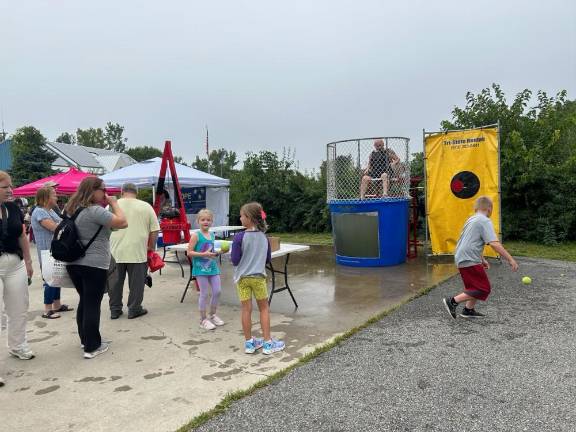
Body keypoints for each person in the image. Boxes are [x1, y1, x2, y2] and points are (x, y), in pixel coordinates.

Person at [64, 177, 127, 359]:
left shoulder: (72, 208)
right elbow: (123, 222)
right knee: (92, 304)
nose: (105, 193)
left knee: (85, 301)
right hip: (93, 264)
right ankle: (92, 346)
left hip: (74, 263)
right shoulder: (95, 210)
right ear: (93, 190)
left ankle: (86, 339)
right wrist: (114, 203)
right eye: (103, 189)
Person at [443, 196, 519, 319]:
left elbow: (471, 241)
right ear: (490, 208)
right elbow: (494, 243)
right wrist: (510, 259)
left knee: (474, 287)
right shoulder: (484, 220)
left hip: (463, 256)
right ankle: (452, 301)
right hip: (468, 257)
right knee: (483, 288)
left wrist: (482, 259)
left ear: (476, 208)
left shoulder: (471, 219)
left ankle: (468, 310)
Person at [231, 202, 285, 355]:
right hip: (259, 278)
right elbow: (267, 259)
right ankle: (268, 343)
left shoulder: (239, 237)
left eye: (241, 215)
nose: (240, 218)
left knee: (246, 310)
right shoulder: (264, 237)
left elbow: (235, 260)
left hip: (242, 279)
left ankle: (249, 344)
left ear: (248, 217)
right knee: (264, 308)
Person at [0, 171, 35, 388]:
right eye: (5, 187)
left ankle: (17, 345)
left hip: (15, 264)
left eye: (11, 186)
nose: (11, 190)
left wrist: (29, 262)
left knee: (19, 308)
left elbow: (22, 235)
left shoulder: (12, 208)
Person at [109, 183, 159, 320]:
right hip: (138, 251)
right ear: (136, 192)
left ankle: (115, 310)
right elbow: (155, 230)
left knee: (114, 283)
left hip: (115, 251)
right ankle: (134, 309)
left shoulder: (112, 205)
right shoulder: (146, 206)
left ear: (122, 191)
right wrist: (151, 246)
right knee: (136, 284)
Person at [31, 186, 74, 319]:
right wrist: (65, 225)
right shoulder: (40, 212)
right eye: (54, 195)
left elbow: (62, 223)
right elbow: (56, 228)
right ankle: (47, 309)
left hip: (55, 249)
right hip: (46, 251)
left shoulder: (49, 211)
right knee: (49, 279)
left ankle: (57, 305)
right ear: (46, 197)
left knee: (57, 277)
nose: (56, 197)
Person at [186, 209, 224, 330]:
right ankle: (203, 320)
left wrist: (217, 253)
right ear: (198, 221)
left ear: (212, 221)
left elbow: (210, 251)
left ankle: (212, 315)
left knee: (217, 291)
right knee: (204, 293)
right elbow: (189, 252)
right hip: (200, 269)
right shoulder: (196, 235)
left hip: (212, 267)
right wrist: (204, 255)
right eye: (203, 220)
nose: (205, 222)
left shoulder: (212, 235)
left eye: (208, 220)